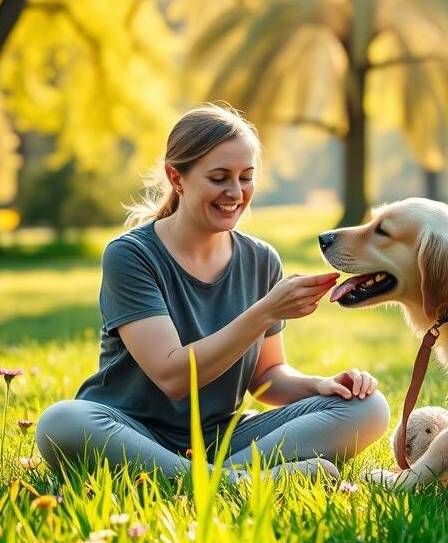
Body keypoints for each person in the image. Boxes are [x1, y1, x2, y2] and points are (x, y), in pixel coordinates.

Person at [36, 104, 389, 482]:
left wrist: (319, 385)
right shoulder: (131, 256)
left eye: (246, 177)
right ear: (177, 177)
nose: (235, 193)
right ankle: (232, 481)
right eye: (219, 178)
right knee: (61, 421)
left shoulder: (260, 259)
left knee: (368, 409)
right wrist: (266, 311)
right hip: (129, 431)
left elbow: (267, 377)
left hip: (220, 438)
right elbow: (172, 376)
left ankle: (203, 478)